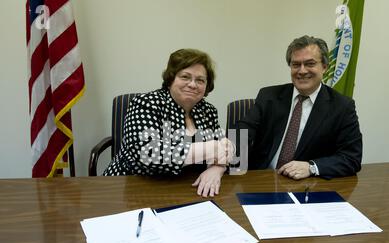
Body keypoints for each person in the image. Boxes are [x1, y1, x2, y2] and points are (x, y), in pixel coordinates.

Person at [103, 48, 234, 196]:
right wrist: (210, 149)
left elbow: (228, 151)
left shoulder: (208, 110)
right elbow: (148, 154)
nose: (193, 84)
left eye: (200, 80)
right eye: (185, 77)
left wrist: (218, 168)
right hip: (131, 187)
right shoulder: (146, 103)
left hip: (187, 187)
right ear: (171, 79)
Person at [237, 35, 362, 180]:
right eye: (296, 64)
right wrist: (225, 160)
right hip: (261, 178)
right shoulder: (268, 95)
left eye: (310, 64)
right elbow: (243, 129)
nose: (302, 71)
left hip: (307, 186)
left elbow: (352, 158)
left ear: (324, 67)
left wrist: (312, 167)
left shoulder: (342, 107)